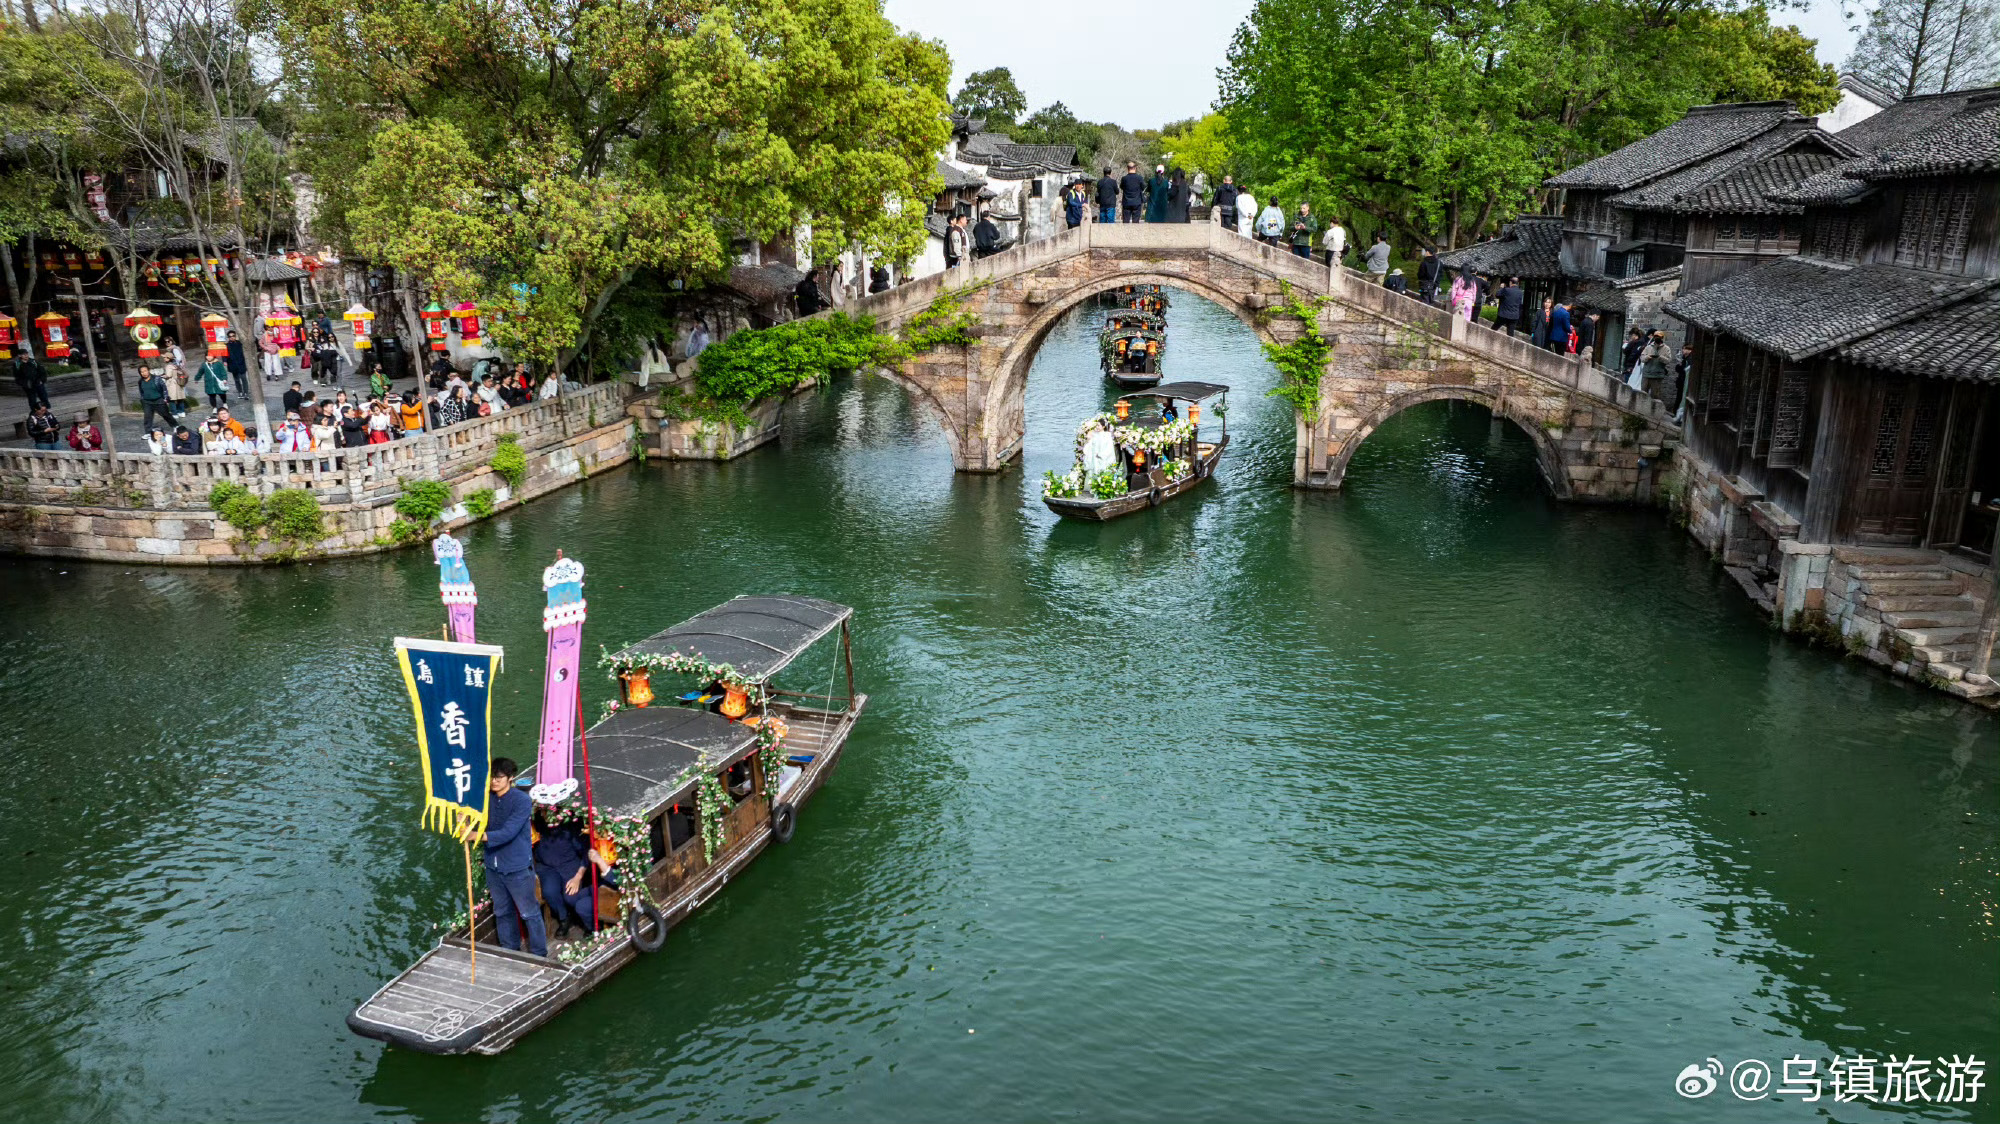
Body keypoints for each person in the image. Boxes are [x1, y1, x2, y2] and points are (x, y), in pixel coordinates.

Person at [474, 758, 547, 958]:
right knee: (502, 911)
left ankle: (539, 954)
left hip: (517, 867)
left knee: (529, 912)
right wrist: (467, 821)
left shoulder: (521, 801)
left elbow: (509, 832)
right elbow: (477, 822)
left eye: (499, 778)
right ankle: (510, 950)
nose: (494, 782)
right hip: (493, 867)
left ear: (511, 778)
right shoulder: (486, 799)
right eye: (492, 778)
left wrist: (478, 836)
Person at [531, 806, 614, 938]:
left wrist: (578, 877)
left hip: (569, 865)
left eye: (551, 812)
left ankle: (588, 923)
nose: (547, 815)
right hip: (547, 867)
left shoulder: (570, 827)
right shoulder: (538, 824)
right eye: (544, 812)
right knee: (549, 891)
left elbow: (585, 853)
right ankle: (564, 918)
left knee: (571, 897)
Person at [138, 365, 176, 431]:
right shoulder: (140, 381)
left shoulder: (156, 379)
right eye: (142, 372)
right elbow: (141, 392)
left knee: (165, 414)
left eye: (145, 371)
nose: (144, 373)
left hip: (158, 400)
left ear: (148, 370)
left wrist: (165, 399)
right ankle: (148, 432)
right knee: (147, 417)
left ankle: (176, 426)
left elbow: (164, 389)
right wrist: (142, 399)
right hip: (147, 402)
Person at [224, 331, 249, 397]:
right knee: (237, 380)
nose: (232, 337)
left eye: (233, 336)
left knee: (244, 379)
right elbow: (224, 355)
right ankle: (240, 391)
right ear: (228, 337)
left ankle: (246, 392)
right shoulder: (227, 345)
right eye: (230, 336)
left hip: (241, 363)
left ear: (235, 336)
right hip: (233, 364)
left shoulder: (240, 343)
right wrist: (225, 361)